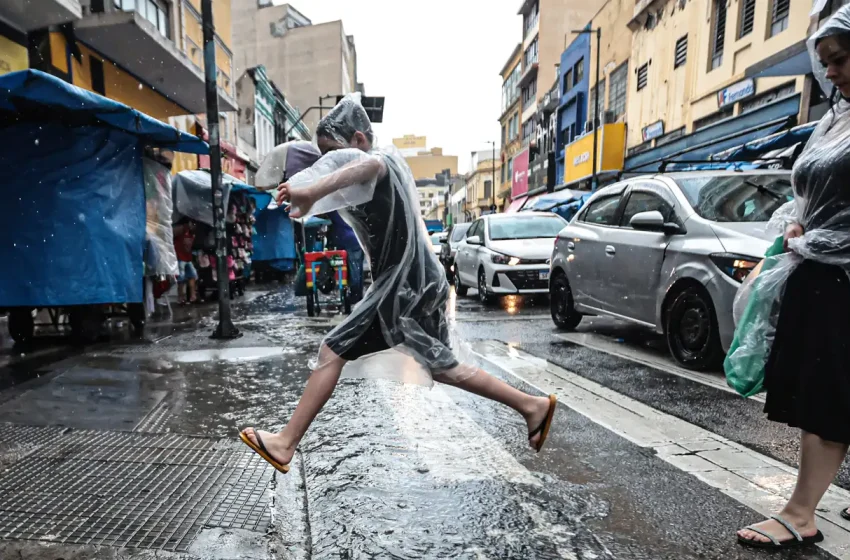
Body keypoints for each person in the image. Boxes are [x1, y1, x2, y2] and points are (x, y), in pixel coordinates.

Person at [239, 94, 557, 473]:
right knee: (442, 366)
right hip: (413, 284)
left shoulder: (381, 160)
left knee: (331, 350)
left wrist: (312, 190)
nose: (330, 163)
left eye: (334, 153)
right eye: (324, 157)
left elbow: (368, 166)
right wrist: (308, 188)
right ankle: (531, 406)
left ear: (358, 139)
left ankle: (285, 443)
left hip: (403, 286)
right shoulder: (357, 178)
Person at [736, 6, 850, 550]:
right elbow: (808, 189)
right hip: (822, 271)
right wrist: (799, 223)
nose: (831, 73)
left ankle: (800, 512)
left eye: (842, 59)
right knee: (826, 390)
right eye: (826, 63)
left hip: (842, 277)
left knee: (827, 395)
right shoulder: (836, 118)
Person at [325, 210, 365, 303]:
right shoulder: (349, 205)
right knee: (357, 268)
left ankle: (354, 296)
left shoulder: (333, 207)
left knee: (353, 268)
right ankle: (358, 295)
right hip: (356, 238)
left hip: (345, 239)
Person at [173, 219, 198, 304]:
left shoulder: (192, 233)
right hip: (180, 257)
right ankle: (181, 297)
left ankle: (192, 295)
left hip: (188, 258)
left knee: (192, 275)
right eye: (193, 224)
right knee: (181, 278)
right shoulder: (183, 229)